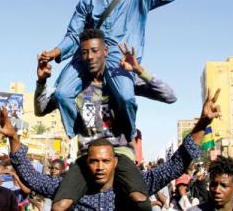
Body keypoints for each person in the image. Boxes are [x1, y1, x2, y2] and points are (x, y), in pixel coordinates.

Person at [0, 83, 221, 210]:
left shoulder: (135, 186)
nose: (100, 167)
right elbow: (32, 177)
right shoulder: (69, 190)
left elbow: (176, 165)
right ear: (85, 163)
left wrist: (202, 123)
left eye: (105, 161)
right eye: (94, 161)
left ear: (115, 162)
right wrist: (13, 137)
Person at [39, 0, 175, 148]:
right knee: (61, 94)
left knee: (126, 97)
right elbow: (74, 35)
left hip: (116, 57)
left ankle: (128, 135)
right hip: (86, 55)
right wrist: (55, 52)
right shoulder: (89, 0)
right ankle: (82, 133)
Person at [35, 29, 176, 210]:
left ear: (105, 51)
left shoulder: (122, 83)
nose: (90, 57)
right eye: (84, 52)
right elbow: (41, 110)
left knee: (141, 201)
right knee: (59, 206)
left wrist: (139, 70)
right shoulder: (73, 89)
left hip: (121, 152)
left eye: (94, 51)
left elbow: (170, 96)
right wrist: (41, 82)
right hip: (88, 155)